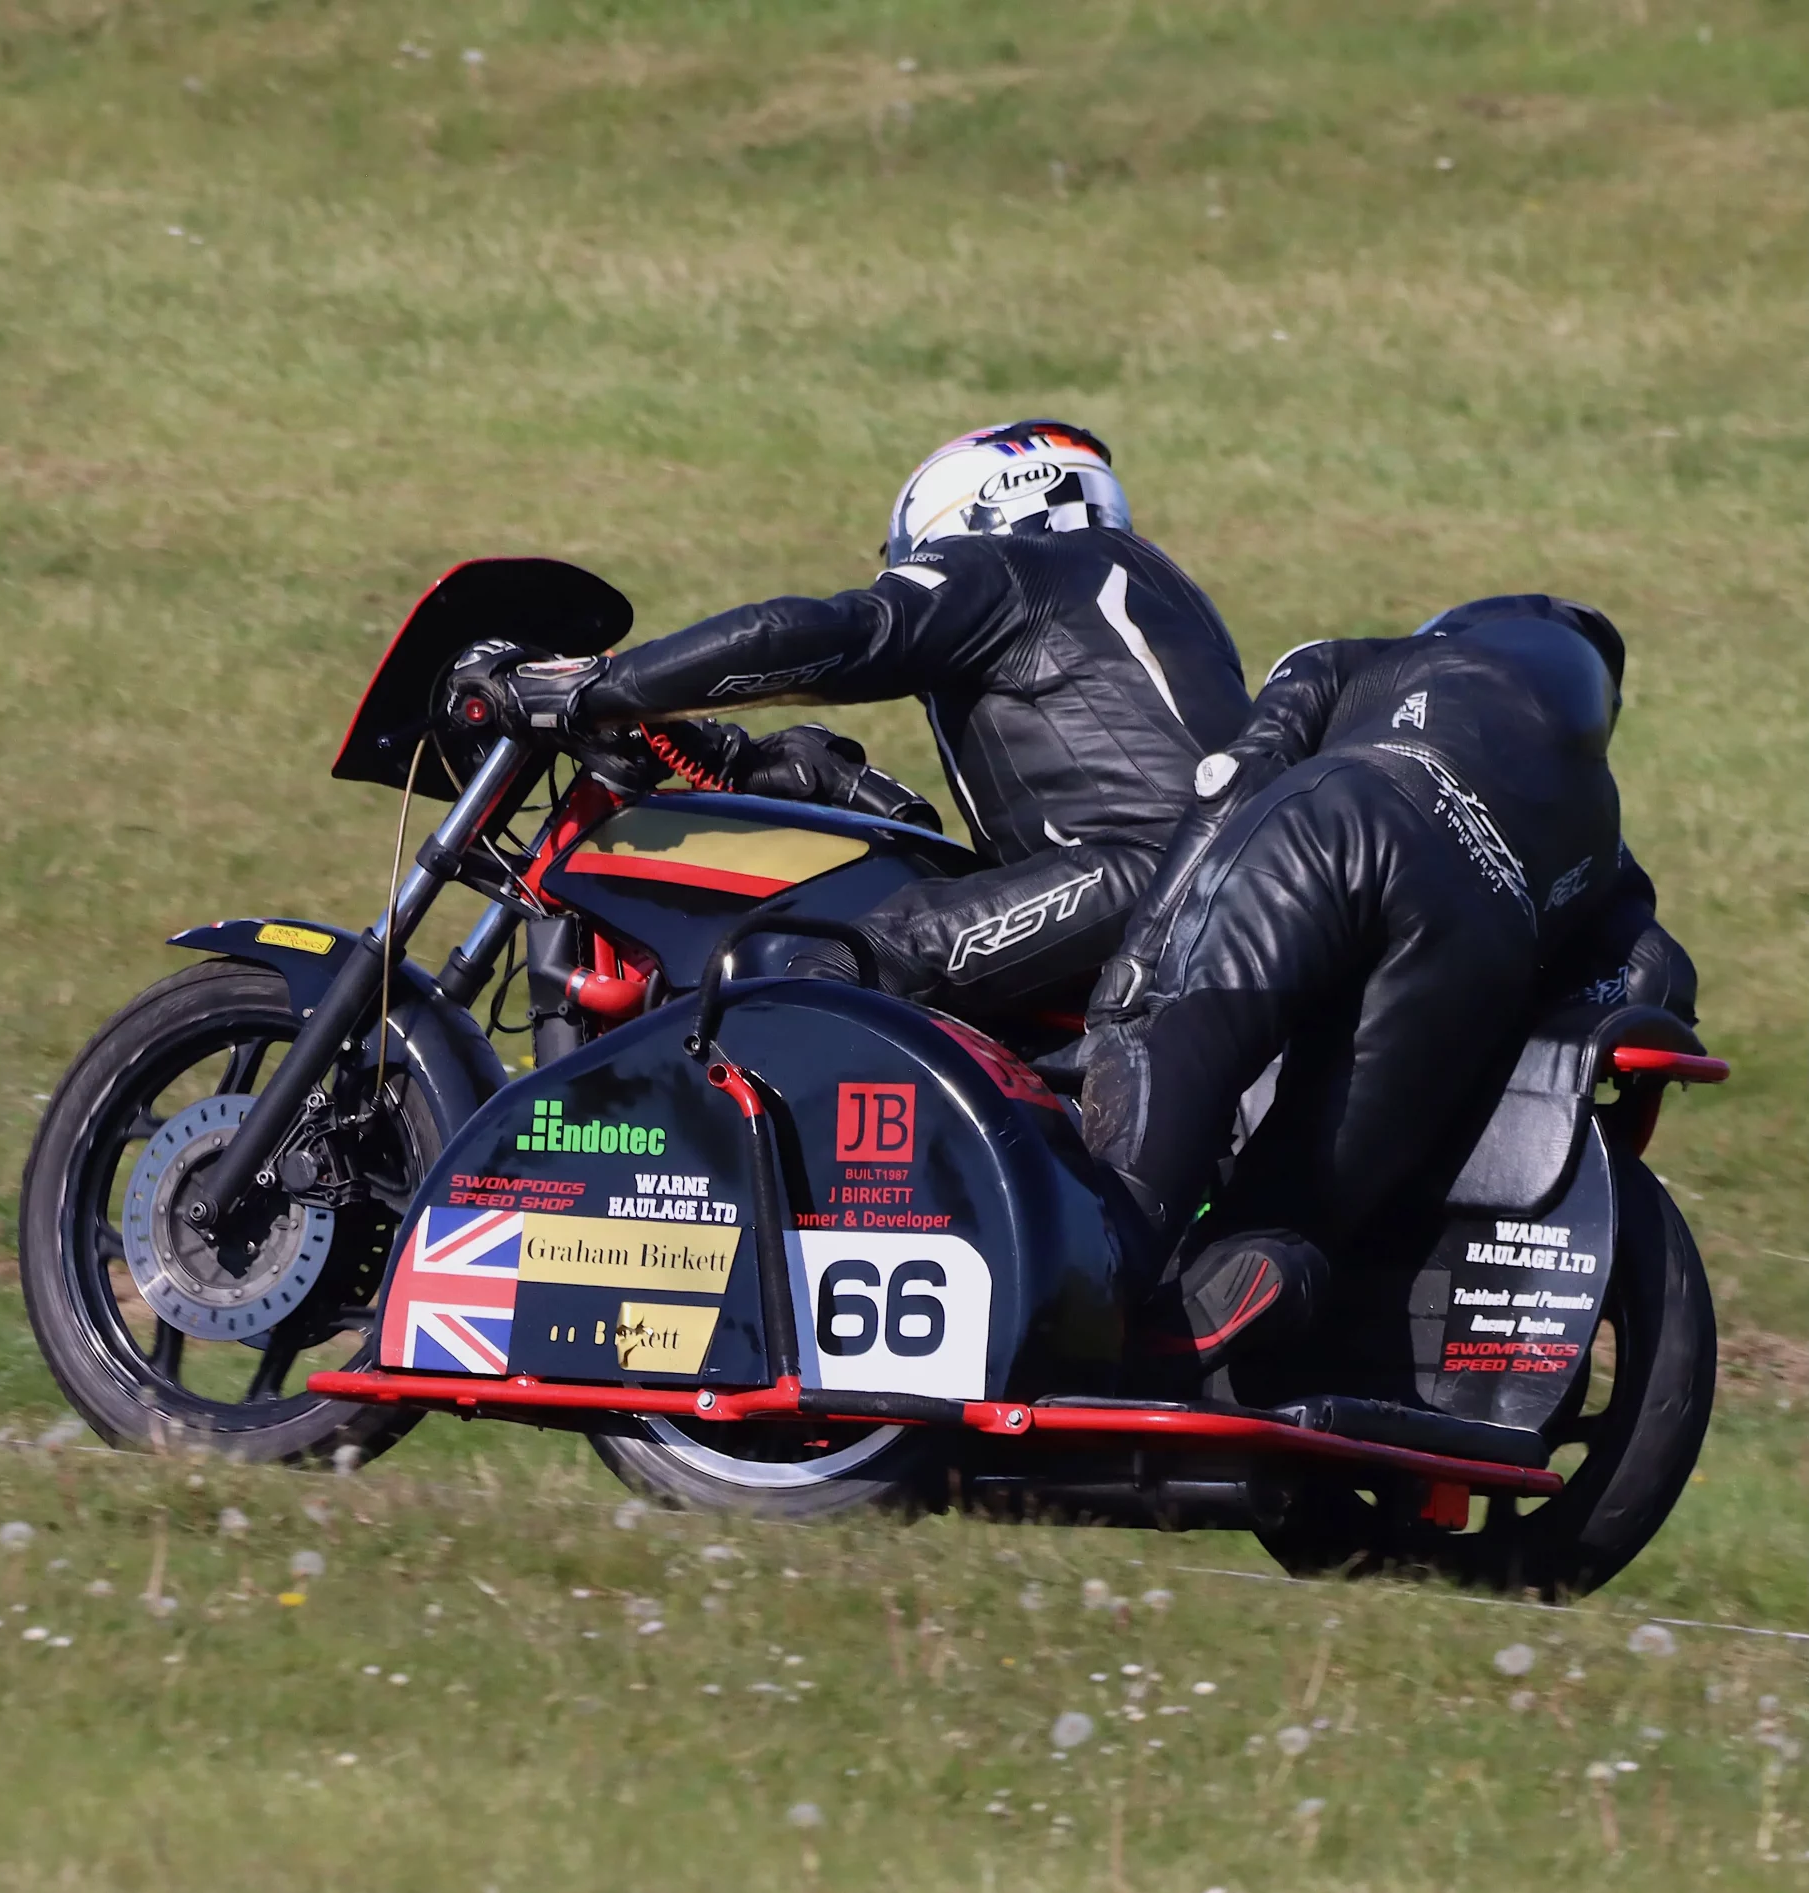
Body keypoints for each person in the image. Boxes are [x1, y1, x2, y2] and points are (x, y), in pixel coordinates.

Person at [1077, 594, 1696, 1377]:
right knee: (1299, 1210)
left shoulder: (1376, 659)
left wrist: (1136, 971)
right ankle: (1232, 1290)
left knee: (1164, 1045)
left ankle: (1078, 1307)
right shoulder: (1606, 838)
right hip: (1475, 945)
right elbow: (1655, 976)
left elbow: (1233, 778)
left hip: (1349, 815)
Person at [445, 421, 1251, 1017]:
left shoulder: (1013, 566)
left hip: (1145, 871)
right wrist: (747, 762)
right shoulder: (1148, 591)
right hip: (1210, 872)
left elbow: (823, 635)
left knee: (815, 972)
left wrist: (597, 686)